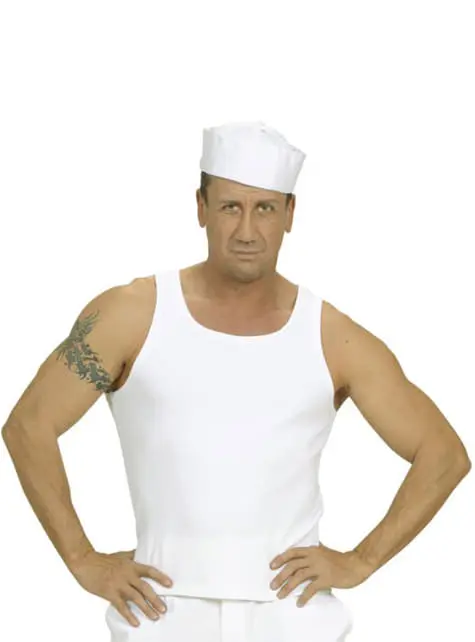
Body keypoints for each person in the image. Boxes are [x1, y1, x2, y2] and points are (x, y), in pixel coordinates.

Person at [2, 121, 471, 642]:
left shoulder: (332, 338)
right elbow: (29, 425)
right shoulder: (131, 316)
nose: (247, 231)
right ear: (201, 207)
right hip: (160, 615)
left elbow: (443, 454)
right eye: (230, 207)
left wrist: (361, 560)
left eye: (264, 208)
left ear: (290, 214)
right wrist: (81, 558)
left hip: (294, 619)